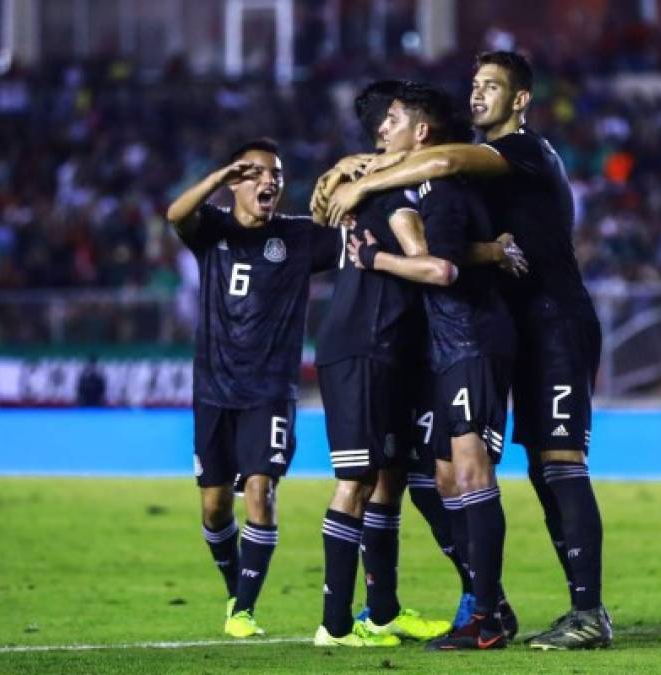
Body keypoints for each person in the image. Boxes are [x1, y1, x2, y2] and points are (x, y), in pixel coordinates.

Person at [325, 51, 611, 651]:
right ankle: (500, 603)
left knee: (559, 464)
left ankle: (585, 612)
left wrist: (369, 180)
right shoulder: (474, 171)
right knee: (510, 469)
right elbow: (440, 166)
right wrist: (359, 165)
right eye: (475, 84)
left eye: (493, 86)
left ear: (521, 99)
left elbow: (449, 156)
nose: (478, 94)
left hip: (555, 321)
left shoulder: (526, 151)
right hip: (513, 327)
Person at [312, 82, 522, 649]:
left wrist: (376, 250)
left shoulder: (437, 184)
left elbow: (443, 265)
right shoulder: (399, 185)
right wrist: (342, 172)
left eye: (393, 120)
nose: (381, 130)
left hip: (455, 345)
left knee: (445, 475)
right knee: (404, 479)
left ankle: (484, 610)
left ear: (421, 132)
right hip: (415, 349)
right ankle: (396, 612)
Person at [166, 138, 338, 638]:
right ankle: (231, 589)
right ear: (236, 182)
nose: (269, 182)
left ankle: (244, 610)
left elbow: (355, 241)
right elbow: (176, 214)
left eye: (277, 175)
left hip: (269, 390)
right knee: (215, 506)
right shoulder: (212, 228)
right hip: (214, 390)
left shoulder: (298, 237)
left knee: (261, 492)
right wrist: (219, 176)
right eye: (257, 173)